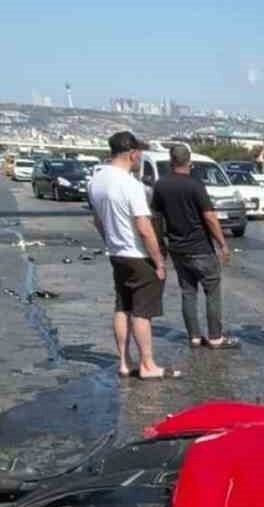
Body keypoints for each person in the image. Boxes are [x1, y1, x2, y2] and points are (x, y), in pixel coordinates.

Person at [87, 130, 179, 381]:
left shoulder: (96, 180)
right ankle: (148, 365)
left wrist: (111, 241)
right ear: (132, 153)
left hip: (117, 254)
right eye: (138, 153)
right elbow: (144, 228)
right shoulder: (130, 184)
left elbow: (97, 220)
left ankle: (124, 363)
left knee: (122, 306)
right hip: (138, 256)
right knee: (141, 312)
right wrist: (158, 261)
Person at [151, 143, 239, 350]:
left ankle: (194, 337)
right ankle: (216, 337)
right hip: (200, 248)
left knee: (188, 292)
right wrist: (222, 244)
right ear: (189, 162)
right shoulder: (195, 185)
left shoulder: (161, 185)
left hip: (177, 248)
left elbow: (155, 217)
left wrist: (160, 244)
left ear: (171, 161)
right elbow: (209, 216)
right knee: (212, 292)